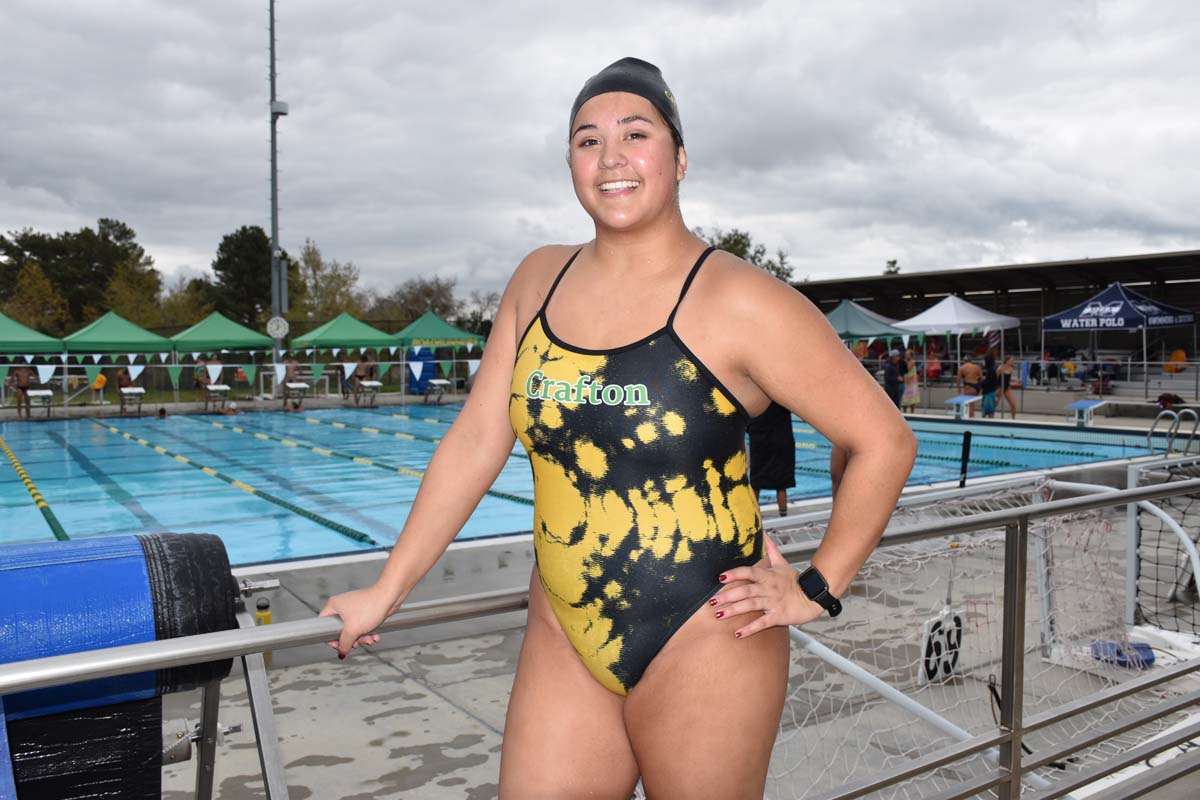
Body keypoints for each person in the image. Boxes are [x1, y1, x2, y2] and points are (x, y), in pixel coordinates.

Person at [319, 57, 917, 797]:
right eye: (587, 140)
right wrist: (386, 589)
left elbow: (882, 440)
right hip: (565, 632)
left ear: (680, 155)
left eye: (636, 134)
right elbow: (476, 439)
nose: (611, 159)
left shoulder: (741, 300)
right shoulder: (537, 281)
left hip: (706, 635)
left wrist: (819, 585)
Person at [747, 401, 796, 517]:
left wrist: (751, 429)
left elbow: (747, 419)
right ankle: (783, 515)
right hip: (782, 440)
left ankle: (753, 515)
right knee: (781, 484)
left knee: (756, 481)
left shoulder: (756, 398)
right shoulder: (781, 395)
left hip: (760, 440)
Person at [997, 354, 1017, 420]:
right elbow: (995, 379)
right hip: (999, 387)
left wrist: (1016, 380)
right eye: (1011, 360)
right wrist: (996, 389)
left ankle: (1013, 419)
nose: (1012, 362)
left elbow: (1008, 379)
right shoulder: (1000, 368)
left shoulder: (1011, 369)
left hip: (1007, 387)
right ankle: (990, 416)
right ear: (1007, 361)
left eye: (1013, 360)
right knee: (995, 404)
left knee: (1013, 404)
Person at [901, 347, 919, 413]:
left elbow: (907, 369)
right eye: (906, 354)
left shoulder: (912, 362)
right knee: (904, 398)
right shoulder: (905, 361)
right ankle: (904, 411)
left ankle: (912, 412)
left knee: (912, 398)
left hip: (911, 383)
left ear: (911, 355)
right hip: (906, 381)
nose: (906, 356)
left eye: (907, 354)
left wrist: (903, 363)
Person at [981, 349, 998, 419]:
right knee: (990, 411)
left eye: (984, 361)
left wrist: (981, 382)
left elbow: (987, 382)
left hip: (989, 393)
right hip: (991, 391)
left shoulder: (991, 370)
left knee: (988, 411)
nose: (983, 363)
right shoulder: (992, 369)